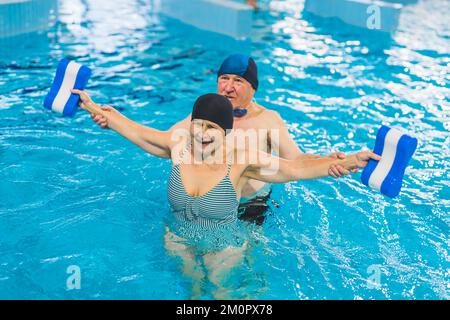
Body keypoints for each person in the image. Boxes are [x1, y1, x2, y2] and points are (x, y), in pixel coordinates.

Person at [72, 90, 380, 299]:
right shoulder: (178, 145)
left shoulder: (241, 159)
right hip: (178, 238)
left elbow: (292, 169)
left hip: (223, 244)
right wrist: (92, 107)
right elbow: (137, 131)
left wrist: (348, 162)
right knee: (192, 295)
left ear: (226, 132)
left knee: (222, 294)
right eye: (198, 124)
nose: (202, 133)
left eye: (212, 128)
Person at [89, 54, 354, 225]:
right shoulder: (206, 114)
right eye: (223, 78)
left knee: (245, 277)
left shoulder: (268, 120)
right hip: (203, 205)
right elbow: (167, 145)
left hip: (251, 206)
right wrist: (112, 120)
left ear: (253, 87)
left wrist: (327, 161)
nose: (228, 86)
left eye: (238, 80)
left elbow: (294, 161)